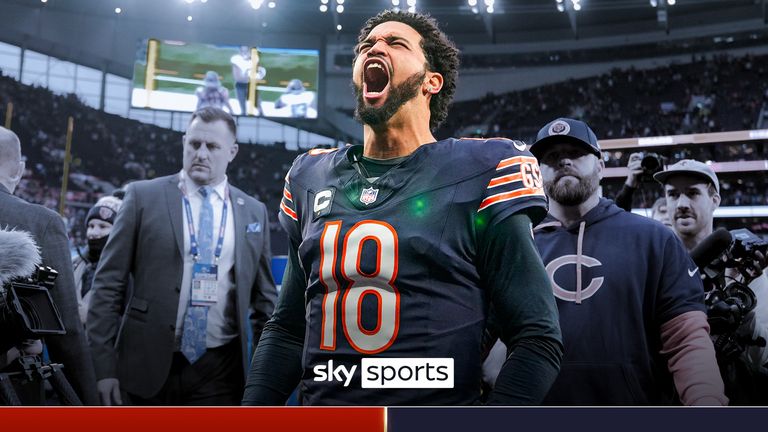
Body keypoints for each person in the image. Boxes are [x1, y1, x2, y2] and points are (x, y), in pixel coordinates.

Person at [242, 10, 562, 406]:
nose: (374, 47)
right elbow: (288, 330)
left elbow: (537, 337)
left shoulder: (483, 169)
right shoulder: (311, 176)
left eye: (396, 43)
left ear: (432, 81)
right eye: (366, 46)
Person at [527, 118, 726, 405]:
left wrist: (707, 401)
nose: (564, 161)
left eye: (576, 153)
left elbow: (687, 339)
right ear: (538, 170)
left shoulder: (653, 239)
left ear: (600, 166)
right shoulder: (519, 243)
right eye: (552, 156)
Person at [87, 107, 277, 406]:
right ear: (184, 143)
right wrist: (103, 368)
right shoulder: (141, 197)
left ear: (232, 151)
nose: (201, 153)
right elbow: (108, 286)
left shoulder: (253, 211)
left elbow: (265, 303)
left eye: (212, 146)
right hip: (144, 362)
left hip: (220, 369)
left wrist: (268, 376)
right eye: (194, 144)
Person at [654, 160, 768, 403]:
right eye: (673, 195)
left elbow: (762, 360)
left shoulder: (744, 270)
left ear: (715, 200)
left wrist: (742, 313)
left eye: (693, 193)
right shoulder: (653, 266)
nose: (682, 204)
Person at [0, 126, 98, 405]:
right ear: (18, 170)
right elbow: (66, 329)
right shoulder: (41, 222)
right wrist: (89, 402)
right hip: (12, 389)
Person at [72, 194, 123, 325]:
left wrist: (93, 317)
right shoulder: (75, 263)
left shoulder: (127, 271)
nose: (94, 232)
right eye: (91, 225)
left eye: (103, 226)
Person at [230, 46, 266, 116]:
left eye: (246, 51)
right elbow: (237, 77)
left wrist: (257, 75)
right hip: (240, 85)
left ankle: (262, 116)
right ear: (240, 52)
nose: (244, 53)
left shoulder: (254, 60)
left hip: (250, 85)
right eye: (242, 51)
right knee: (243, 109)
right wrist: (248, 75)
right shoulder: (236, 59)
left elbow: (259, 74)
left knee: (258, 105)